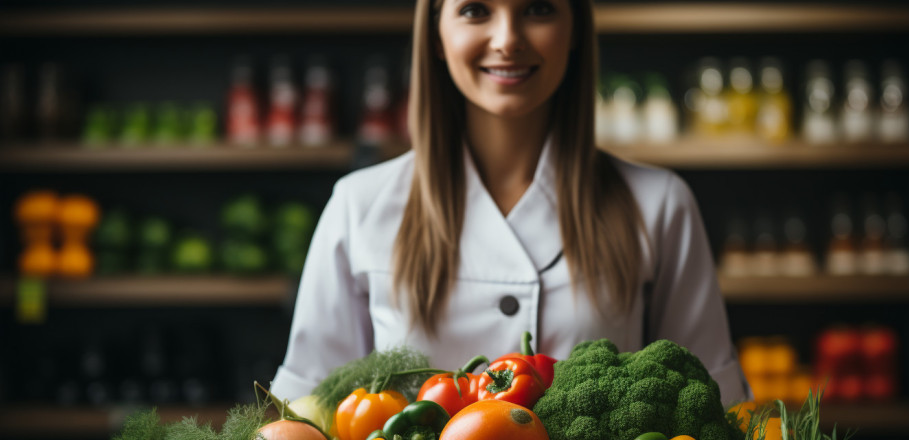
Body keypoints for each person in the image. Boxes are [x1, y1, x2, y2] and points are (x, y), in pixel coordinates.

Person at [270, 0, 750, 406]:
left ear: (576, 28)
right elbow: (302, 418)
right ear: (436, 33)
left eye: (538, 9)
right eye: (476, 10)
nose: (507, 39)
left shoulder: (660, 204)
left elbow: (714, 406)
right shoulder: (359, 206)